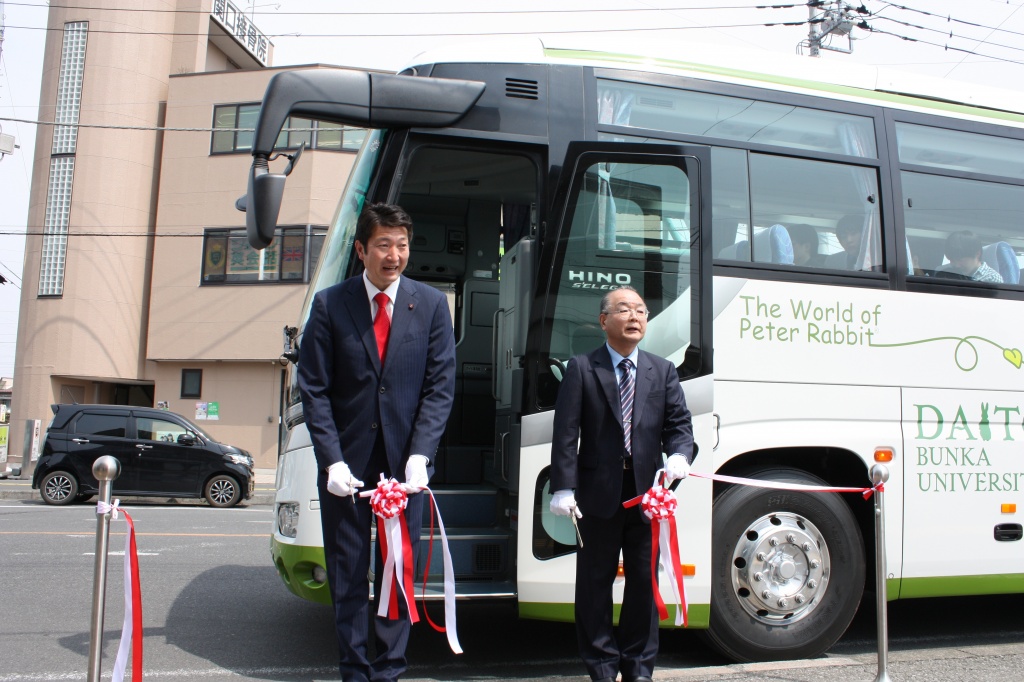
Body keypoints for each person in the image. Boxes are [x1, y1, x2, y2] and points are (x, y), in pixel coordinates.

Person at [297, 202, 456, 682]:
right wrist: (332, 461)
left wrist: (421, 455)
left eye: (402, 245)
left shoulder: (429, 305)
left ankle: (389, 669)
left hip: (404, 466)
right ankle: (353, 668)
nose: (394, 255)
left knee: (396, 570)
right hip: (348, 466)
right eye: (384, 245)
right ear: (362, 249)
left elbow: (439, 386)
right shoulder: (330, 305)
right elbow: (315, 389)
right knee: (347, 573)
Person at [549, 286, 697, 682]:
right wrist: (563, 487)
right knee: (594, 584)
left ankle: (638, 669)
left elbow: (679, 426)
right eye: (624, 310)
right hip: (598, 495)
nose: (635, 317)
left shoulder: (661, 370)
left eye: (641, 311)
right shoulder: (581, 368)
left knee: (643, 586)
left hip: (649, 496)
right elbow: (566, 433)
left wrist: (680, 455)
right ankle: (600, 666)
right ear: (604, 321)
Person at [936, 230, 1003, 283]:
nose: (956, 265)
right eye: (951, 260)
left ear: (977, 254)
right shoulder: (943, 272)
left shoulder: (991, 278)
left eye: (960, 260)